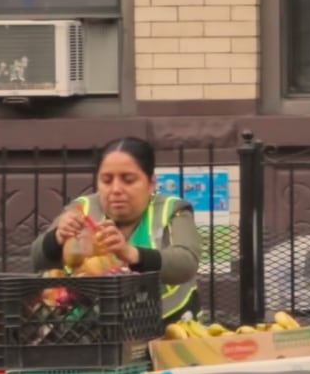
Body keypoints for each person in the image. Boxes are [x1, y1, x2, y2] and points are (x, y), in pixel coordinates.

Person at [32, 138, 202, 324]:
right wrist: (57, 238)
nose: (116, 189)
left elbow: (186, 262)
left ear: (151, 183)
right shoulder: (83, 208)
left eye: (128, 180)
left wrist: (132, 254)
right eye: (106, 180)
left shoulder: (172, 210)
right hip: (92, 331)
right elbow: (37, 258)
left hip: (165, 325)